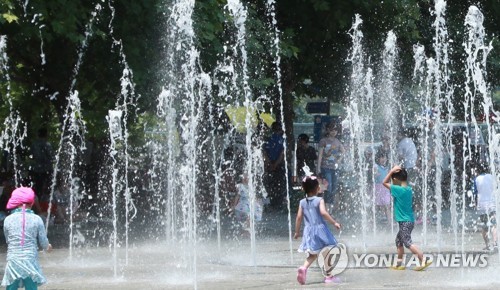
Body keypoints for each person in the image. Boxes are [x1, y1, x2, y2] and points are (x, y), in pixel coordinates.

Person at [1, 187, 52, 290]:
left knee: (11, 286)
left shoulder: (8, 220)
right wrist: (48, 247)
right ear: (32, 202)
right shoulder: (37, 219)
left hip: (13, 260)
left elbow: (8, 240)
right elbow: (43, 242)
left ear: (15, 202)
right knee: (31, 287)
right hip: (30, 260)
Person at [294, 176, 342, 285]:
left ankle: (303, 268)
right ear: (317, 188)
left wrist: (297, 232)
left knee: (312, 254)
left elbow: (298, 217)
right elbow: (324, 213)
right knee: (327, 253)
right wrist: (334, 222)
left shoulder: (302, 202)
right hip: (320, 230)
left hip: (308, 231)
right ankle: (329, 276)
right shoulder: (319, 200)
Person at [383, 166, 431, 271]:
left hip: (405, 221)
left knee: (407, 242)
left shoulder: (398, 189)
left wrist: (391, 171)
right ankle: (399, 264)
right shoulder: (408, 189)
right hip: (408, 221)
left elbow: (384, 183)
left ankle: (423, 259)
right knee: (399, 241)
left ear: (395, 179)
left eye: (392, 179)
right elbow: (401, 181)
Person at [316, 122, 345, 212]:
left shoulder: (337, 141)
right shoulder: (323, 141)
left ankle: (329, 208)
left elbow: (343, 151)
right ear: (328, 130)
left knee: (334, 187)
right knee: (328, 187)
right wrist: (318, 167)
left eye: (335, 130)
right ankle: (326, 208)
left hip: (334, 168)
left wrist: (339, 161)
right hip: (325, 167)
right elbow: (320, 155)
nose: (334, 132)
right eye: (332, 129)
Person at [396, 128, 421, 223]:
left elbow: (400, 157)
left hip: (408, 169)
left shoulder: (401, 143)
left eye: (397, 134)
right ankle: (416, 213)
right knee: (413, 189)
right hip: (413, 167)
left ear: (400, 134)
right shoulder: (410, 140)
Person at [473, 164, 497, 251]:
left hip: (481, 206)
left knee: (484, 226)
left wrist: (475, 204)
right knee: (494, 224)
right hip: (492, 204)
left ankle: (487, 245)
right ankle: (495, 244)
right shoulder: (492, 177)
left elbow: (475, 193)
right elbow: (496, 188)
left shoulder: (476, 179)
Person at [263, 122, 286, 210]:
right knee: (279, 184)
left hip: (271, 164)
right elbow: (282, 154)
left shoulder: (268, 139)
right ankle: (277, 203)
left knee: (269, 183)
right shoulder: (282, 140)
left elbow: (265, 153)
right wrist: (275, 164)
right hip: (278, 164)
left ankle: (270, 203)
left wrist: (270, 163)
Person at [30, 128, 54, 200]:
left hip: (37, 169)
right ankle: (47, 202)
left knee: (38, 187)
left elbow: (32, 156)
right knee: (48, 187)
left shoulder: (34, 144)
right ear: (46, 135)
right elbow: (51, 156)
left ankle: (38, 201)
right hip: (47, 169)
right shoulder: (47, 144)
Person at [374, 151, 391, 224]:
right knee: (379, 205)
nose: (383, 159)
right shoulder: (376, 166)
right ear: (378, 159)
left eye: (384, 157)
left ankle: (390, 221)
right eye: (381, 157)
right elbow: (373, 174)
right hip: (378, 187)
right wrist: (375, 174)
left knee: (387, 204)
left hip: (386, 187)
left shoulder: (387, 167)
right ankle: (376, 219)